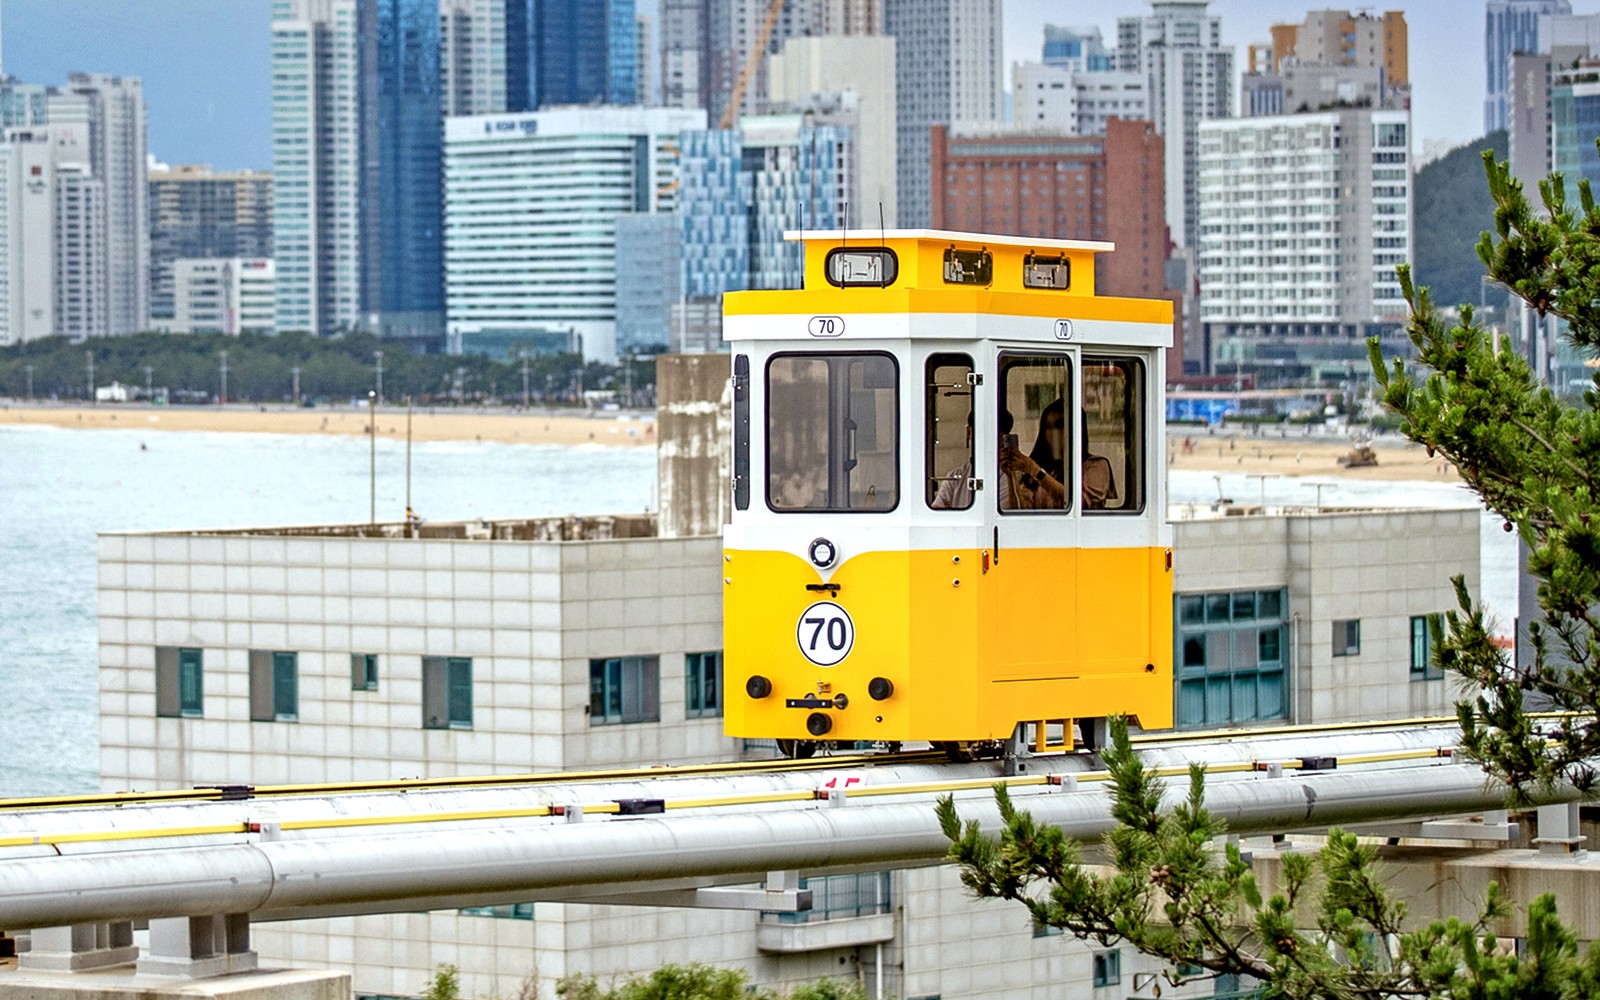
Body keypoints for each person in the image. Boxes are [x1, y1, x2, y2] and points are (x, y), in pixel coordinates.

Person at [932, 410, 1013, 509]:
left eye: (994, 435)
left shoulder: (1010, 477)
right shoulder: (954, 477)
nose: (987, 440)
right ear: (969, 432)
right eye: (982, 432)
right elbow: (937, 513)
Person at [1001, 400, 1067, 509]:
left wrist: (1034, 469)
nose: (1053, 432)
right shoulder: (1042, 464)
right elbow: (1020, 510)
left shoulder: (1095, 465)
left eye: (1059, 425)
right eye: (1048, 427)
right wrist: (1010, 475)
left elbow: (1079, 502)